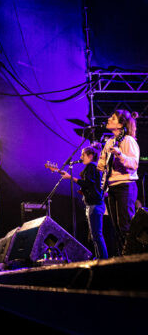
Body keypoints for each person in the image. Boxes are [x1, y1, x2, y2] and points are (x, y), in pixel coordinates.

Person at [97, 110, 140, 255]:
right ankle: (123, 259)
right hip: (112, 187)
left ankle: (134, 259)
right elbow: (103, 160)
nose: (108, 118)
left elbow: (134, 164)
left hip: (125, 186)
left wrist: (120, 154)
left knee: (125, 227)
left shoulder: (128, 140)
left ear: (121, 124)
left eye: (113, 118)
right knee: (116, 228)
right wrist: (101, 163)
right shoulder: (110, 141)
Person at [60, 143, 108, 259]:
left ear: (91, 155)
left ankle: (103, 260)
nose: (81, 157)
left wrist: (70, 178)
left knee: (97, 235)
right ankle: (100, 258)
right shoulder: (94, 167)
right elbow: (92, 186)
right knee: (95, 235)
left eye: (83, 155)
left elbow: (89, 184)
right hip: (95, 204)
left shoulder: (91, 166)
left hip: (94, 205)